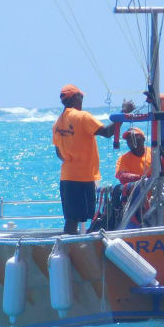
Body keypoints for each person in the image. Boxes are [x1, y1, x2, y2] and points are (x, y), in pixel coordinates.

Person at [52, 84, 116, 234]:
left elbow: (59, 153)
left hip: (67, 176)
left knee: (72, 219)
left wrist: (72, 157)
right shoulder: (82, 116)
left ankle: (71, 248)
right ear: (76, 98)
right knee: (78, 219)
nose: (82, 102)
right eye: (82, 98)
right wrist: (124, 114)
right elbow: (107, 132)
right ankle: (72, 249)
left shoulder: (57, 123)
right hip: (83, 177)